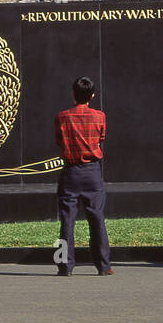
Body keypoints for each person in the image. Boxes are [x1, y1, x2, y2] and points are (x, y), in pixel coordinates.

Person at [54, 76, 112, 277]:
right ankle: (104, 266)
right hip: (92, 172)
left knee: (66, 221)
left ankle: (64, 265)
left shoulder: (62, 117)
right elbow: (101, 138)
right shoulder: (99, 116)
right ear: (92, 95)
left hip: (70, 171)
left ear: (73, 94)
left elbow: (59, 142)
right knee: (97, 219)